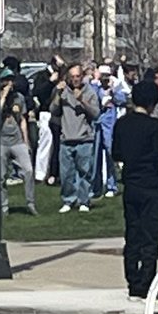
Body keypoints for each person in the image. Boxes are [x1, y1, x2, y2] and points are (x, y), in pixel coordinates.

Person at [115, 80, 158, 301]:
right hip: (150, 184)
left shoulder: (121, 124)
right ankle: (147, 283)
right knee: (150, 236)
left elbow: (116, 153)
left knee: (133, 233)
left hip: (131, 184)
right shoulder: (153, 126)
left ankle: (133, 281)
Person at [50, 64, 100, 214]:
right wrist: (58, 93)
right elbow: (53, 110)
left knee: (85, 172)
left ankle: (84, 200)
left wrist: (82, 101)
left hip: (85, 139)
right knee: (66, 174)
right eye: (72, 77)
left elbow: (96, 113)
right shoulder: (63, 92)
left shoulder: (89, 92)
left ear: (82, 76)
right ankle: (68, 200)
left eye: (77, 76)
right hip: (66, 139)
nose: (75, 79)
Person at [0, 68, 37, 216]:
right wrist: (4, 96)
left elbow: (22, 120)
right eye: (6, 80)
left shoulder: (19, 98)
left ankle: (30, 202)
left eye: (11, 80)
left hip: (17, 140)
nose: (9, 83)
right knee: (1, 176)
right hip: (1, 141)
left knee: (28, 170)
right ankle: (4, 206)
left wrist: (26, 141)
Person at [92, 64, 127, 198]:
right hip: (97, 124)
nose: (105, 79)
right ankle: (96, 187)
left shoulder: (115, 87)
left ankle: (112, 186)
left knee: (110, 154)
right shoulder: (95, 87)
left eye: (107, 76)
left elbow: (122, 100)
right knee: (95, 156)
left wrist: (113, 91)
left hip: (109, 124)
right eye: (103, 76)